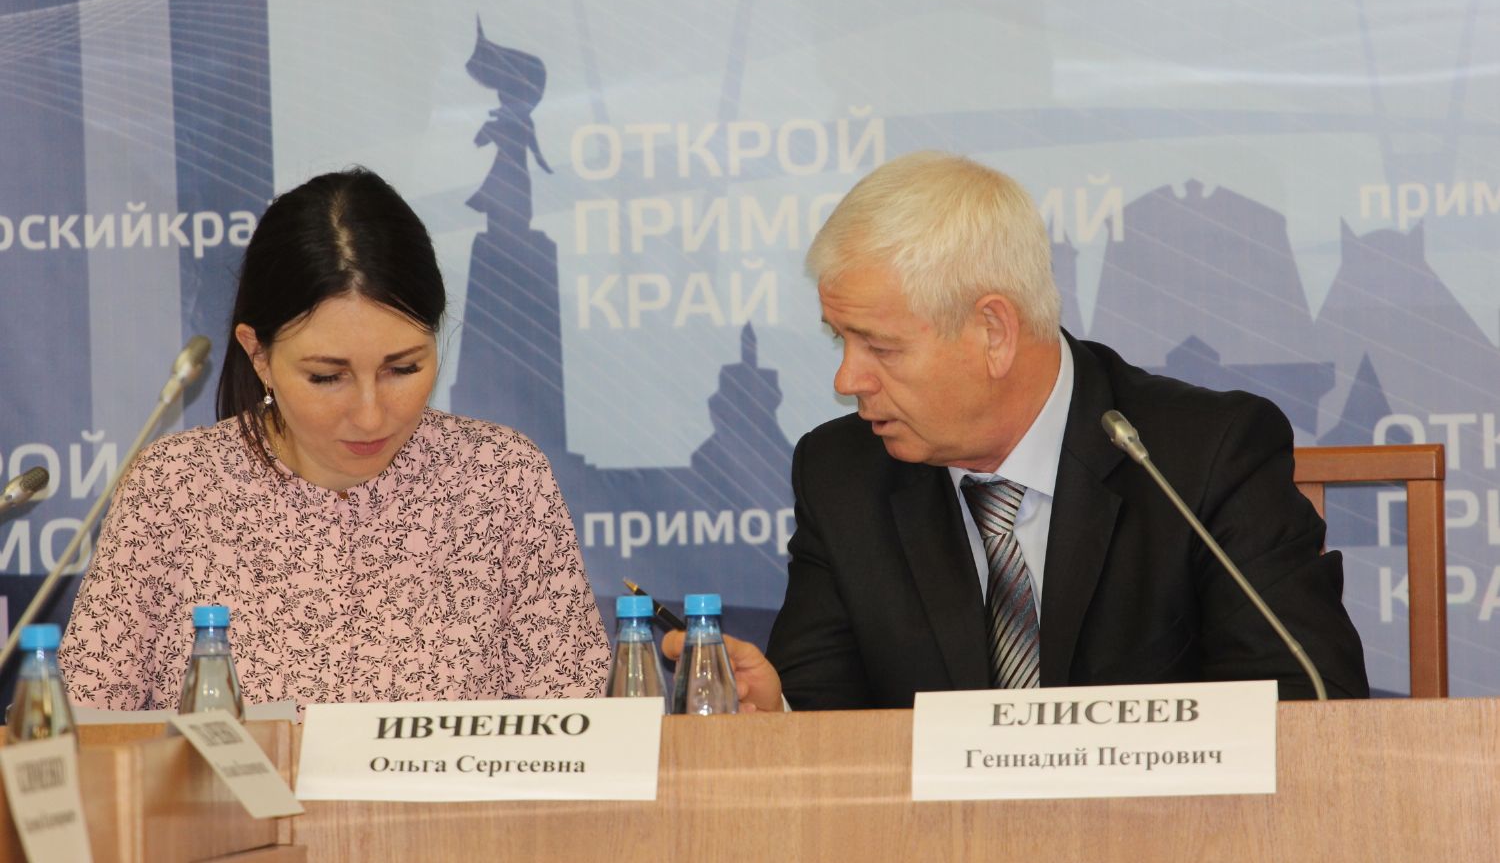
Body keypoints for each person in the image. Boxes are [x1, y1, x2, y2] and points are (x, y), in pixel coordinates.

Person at [676, 151, 1369, 712]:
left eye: (880, 347)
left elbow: (1309, 702)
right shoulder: (843, 475)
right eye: (841, 340)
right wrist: (775, 718)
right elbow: (825, 715)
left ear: (994, 332)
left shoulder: (1201, 457)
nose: (847, 379)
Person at [59, 168, 610, 710]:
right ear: (259, 355)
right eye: (327, 377)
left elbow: (583, 731)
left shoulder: (502, 480)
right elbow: (82, 732)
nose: (370, 417)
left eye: (403, 368)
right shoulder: (173, 490)